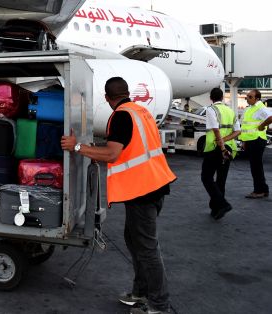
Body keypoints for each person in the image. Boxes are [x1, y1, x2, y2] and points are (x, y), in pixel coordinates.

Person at [61, 77, 176, 314]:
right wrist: (96, 150)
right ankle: (140, 292)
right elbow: (129, 148)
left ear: (107, 98)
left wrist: (77, 147)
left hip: (143, 190)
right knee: (134, 241)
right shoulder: (140, 111)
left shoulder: (122, 116)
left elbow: (112, 154)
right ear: (126, 93)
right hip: (155, 184)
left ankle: (158, 305)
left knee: (146, 247)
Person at [200, 88, 241, 220]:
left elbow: (216, 130)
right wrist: (225, 142)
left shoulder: (211, 110)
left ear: (211, 98)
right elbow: (237, 132)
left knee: (206, 177)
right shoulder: (230, 111)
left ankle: (222, 204)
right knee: (221, 180)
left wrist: (221, 146)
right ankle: (215, 209)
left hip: (215, 149)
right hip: (229, 148)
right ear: (222, 98)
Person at [238, 89, 269, 198]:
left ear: (257, 98)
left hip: (257, 139)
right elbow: (245, 127)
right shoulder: (250, 108)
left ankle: (259, 191)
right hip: (251, 140)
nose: (247, 99)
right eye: (247, 97)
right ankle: (263, 189)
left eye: (250, 97)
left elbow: (270, 117)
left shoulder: (259, 108)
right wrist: (243, 141)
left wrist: (262, 125)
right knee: (256, 166)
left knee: (256, 167)